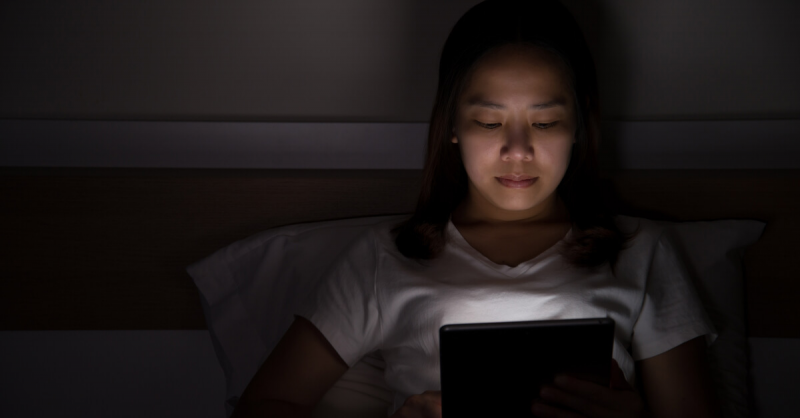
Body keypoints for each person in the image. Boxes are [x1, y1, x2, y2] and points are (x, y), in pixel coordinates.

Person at [232, 0, 721, 417]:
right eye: (488, 123)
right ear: (452, 126)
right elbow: (265, 405)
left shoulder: (642, 251)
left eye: (546, 122)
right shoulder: (384, 260)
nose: (517, 149)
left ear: (579, 127)